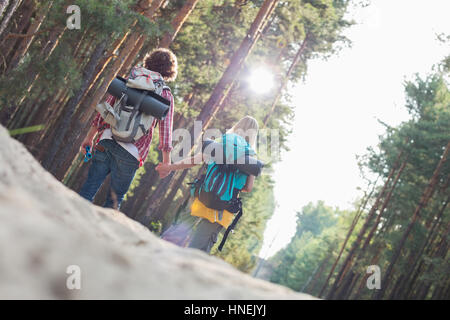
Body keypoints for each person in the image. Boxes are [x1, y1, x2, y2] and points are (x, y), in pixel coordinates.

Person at [79, 48, 178, 209]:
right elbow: (166, 131)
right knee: (113, 202)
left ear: (149, 61)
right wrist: (166, 162)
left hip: (106, 140)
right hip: (132, 152)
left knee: (88, 189)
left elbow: (106, 108)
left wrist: (90, 137)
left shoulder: (130, 80)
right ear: (169, 70)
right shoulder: (165, 94)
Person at [156, 116, 259, 253]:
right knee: (198, 249)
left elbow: (195, 160)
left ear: (237, 126)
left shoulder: (220, 143)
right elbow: (248, 187)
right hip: (223, 207)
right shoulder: (251, 158)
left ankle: (158, 257)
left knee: (177, 232)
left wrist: (169, 167)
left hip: (202, 196)